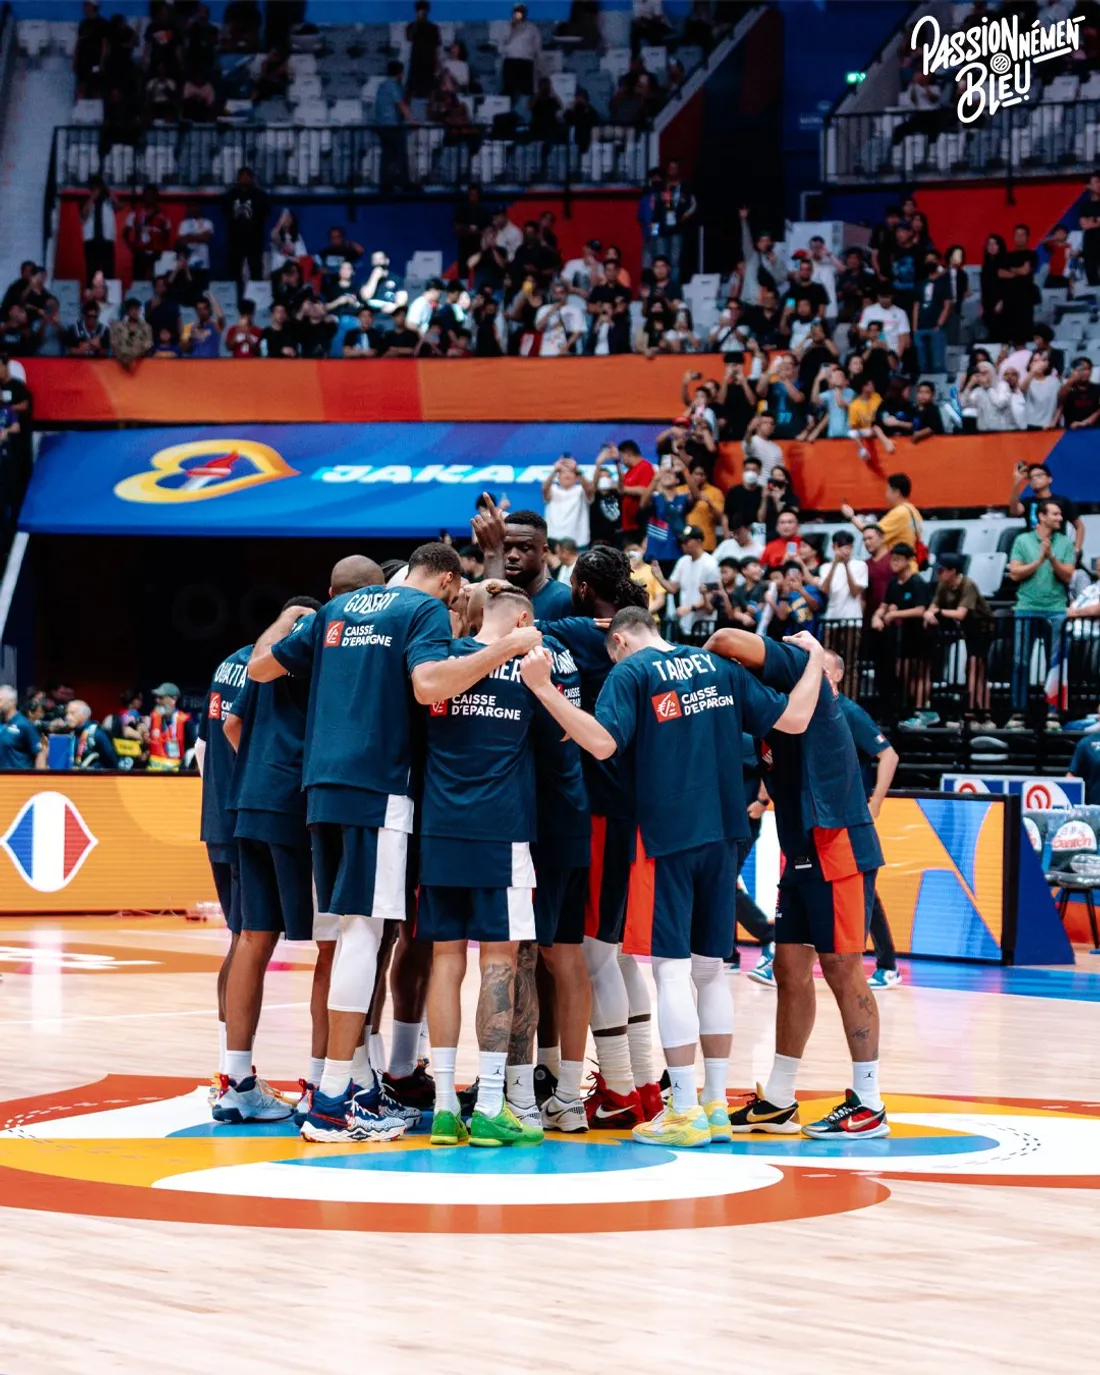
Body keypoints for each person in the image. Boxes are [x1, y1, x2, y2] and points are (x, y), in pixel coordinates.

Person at [248, 542, 542, 1143]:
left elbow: (260, 669)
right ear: (448, 582)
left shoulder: (340, 609)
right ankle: (335, 1101)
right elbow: (431, 684)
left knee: (348, 933)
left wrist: (291, 622)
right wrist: (507, 647)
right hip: (378, 787)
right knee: (363, 933)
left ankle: (347, 1083)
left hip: (320, 786)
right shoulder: (422, 610)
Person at [521, 610, 822, 1147]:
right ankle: (711, 1105)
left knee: (671, 974)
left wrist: (545, 690)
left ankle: (682, 1111)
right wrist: (816, 661)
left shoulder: (631, 673)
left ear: (619, 640)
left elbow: (603, 743)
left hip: (665, 838)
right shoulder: (718, 667)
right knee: (710, 973)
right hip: (725, 835)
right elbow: (795, 720)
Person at [704, 628, 890, 1140]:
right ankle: (781, 1100)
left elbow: (724, 638)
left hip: (840, 845)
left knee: (843, 968)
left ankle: (870, 1103)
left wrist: (695, 661)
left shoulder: (793, 670)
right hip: (804, 849)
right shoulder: (765, 708)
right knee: (788, 968)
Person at [418, 585, 555, 1148]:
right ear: (523, 619)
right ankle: (493, 1105)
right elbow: (562, 742)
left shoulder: (442, 658)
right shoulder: (529, 669)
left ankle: (446, 1108)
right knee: (499, 965)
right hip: (502, 832)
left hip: (440, 829)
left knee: (445, 962)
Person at [195, 639, 253, 1102]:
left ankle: (224, 1069)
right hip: (249, 820)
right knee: (248, 941)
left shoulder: (227, 663)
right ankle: (232, 1078)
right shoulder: (275, 666)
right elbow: (234, 727)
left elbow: (200, 749)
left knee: (237, 940)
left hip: (217, 819)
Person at [823, 650, 901, 990]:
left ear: (838, 675)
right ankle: (885, 963)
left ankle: (885, 964)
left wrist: (876, 802)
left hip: (852, 818)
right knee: (859, 890)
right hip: (826, 817)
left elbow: (889, 755)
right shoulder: (809, 709)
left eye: (823, 668)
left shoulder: (849, 712)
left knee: (864, 889)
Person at [1007, 500, 1075, 724]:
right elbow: (1015, 574)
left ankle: (1053, 714)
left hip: (1056, 610)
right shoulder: (1022, 540)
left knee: (1056, 663)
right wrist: (1039, 560)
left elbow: (1067, 575)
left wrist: (1052, 557)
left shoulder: (1065, 542)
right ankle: (1018, 712)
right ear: (1042, 516)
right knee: (1019, 662)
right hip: (1026, 607)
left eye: (1060, 515)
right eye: (1055, 514)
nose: (1060, 518)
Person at [925, 552, 995, 726]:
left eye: (941, 570)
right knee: (972, 671)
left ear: (953, 571)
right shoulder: (943, 585)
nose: (938, 574)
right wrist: (929, 613)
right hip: (968, 631)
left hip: (983, 630)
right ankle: (979, 713)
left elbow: (961, 613)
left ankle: (976, 712)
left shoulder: (967, 585)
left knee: (975, 669)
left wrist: (938, 612)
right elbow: (933, 606)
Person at [872, 542, 934, 725]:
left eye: (899, 559)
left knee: (920, 673)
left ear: (909, 561)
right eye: (893, 559)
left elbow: (921, 610)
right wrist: (877, 617)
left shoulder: (917, 582)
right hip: (903, 636)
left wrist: (894, 614)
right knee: (904, 672)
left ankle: (923, 710)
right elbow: (883, 606)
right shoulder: (893, 583)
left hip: (921, 634)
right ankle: (917, 708)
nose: (894, 563)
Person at [651, 525, 719, 637]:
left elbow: (712, 597)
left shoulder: (711, 564)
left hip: (703, 624)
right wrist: (660, 577)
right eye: (681, 541)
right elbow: (673, 588)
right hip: (685, 623)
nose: (682, 544)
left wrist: (690, 608)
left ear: (698, 541)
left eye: (686, 541)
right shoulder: (683, 561)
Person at [1009, 462, 1082, 560]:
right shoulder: (1027, 502)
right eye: (1031, 477)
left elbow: (1080, 527)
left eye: (1039, 475)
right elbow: (1014, 511)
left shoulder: (1062, 501)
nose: (1034, 479)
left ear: (1049, 479)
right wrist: (1016, 484)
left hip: (1058, 550)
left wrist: (1076, 549)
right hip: (1033, 550)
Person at [841, 473, 923, 560]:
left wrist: (851, 516)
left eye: (888, 490)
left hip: (899, 567)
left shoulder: (900, 513)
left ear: (897, 493)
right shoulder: (914, 512)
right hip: (910, 565)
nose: (886, 495)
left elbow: (872, 532)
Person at [223, 167, 268, 306]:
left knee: (256, 271)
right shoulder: (231, 195)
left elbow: (265, 214)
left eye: (247, 176)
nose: (244, 179)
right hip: (235, 241)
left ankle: (257, 301)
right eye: (242, 176)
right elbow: (225, 213)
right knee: (233, 272)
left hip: (254, 240)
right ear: (238, 178)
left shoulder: (260, 195)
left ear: (252, 178)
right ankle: (233, 301)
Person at [818, 530, 868, 625]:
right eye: (841, 547)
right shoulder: (825, 567)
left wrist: (846, 565)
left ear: (852, 547)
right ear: (833, 547)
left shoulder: (861, 565)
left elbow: (855, 592)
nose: (845, 551)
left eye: (848, 547)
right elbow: (824, 590)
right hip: (831, 618)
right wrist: (834, 564)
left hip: (852, 619)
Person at [147, 683, 195, 772]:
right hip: (153, 774)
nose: (157, 700)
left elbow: (193, 750)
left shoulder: (185, 721)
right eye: (156, 697)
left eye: (161, 697)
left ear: (174, 699)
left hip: (175, 776)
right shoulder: (153, 717)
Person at [66, 699, 119, 770]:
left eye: (72, 713)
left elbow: (112, 763)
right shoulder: (72, 734)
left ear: (84, 715)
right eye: (67, 713)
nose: (68, 717)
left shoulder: (96, 734)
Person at [502, 3, 541, 97]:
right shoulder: (506, 26)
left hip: (526, 62)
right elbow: (503, 42)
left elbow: (538, 47)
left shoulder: (532, 28)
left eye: (521, 12)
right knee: (510, 90)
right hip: (511, 61)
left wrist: (539, 65)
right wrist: (512, 28)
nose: (519, 14)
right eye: (517, 12)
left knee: (526, 91)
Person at [0, 685, 44, 768]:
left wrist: (40, 779)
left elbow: (39, 753)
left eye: (0, 700)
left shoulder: (24, 724)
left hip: (19, 778)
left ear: (11, 702)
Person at [1058, 357, 1100, 430]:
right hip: (1071, 431)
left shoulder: (1097, 388)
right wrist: (1071, 380)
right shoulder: (1067, 388)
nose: (1086, 372)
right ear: (1074, 371)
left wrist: (1086, 422)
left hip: (1094, 430)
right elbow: (1060, 401)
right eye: (1082, 369)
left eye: (1088, 369)